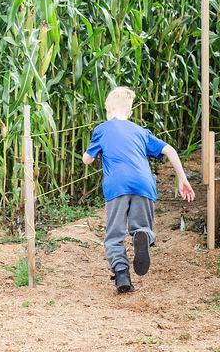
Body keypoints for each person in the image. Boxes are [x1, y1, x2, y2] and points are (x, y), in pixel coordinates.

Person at [82, 86, 195, 293]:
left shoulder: (102, 129)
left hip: (117, 185)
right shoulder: (141, 132)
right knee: (142, 227)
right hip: (144, 184)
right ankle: (142, 235)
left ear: (108, 109)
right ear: (130, 112)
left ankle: (122, 275)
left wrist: (90, 154)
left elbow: (87, 160)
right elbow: (169, 149)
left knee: (114, 234)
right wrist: (183, 179)